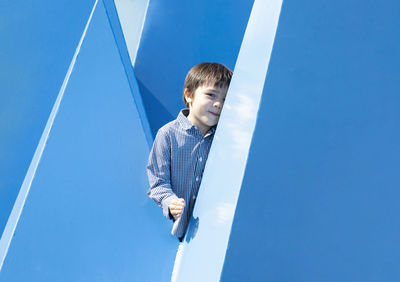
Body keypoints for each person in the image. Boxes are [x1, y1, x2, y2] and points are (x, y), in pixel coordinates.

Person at [146, 62, 232, 241]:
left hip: (210, 233)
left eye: (225, 99)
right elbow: (158, 182)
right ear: (189, 94)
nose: (218, 104)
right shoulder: (168, 134)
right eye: (211, 95)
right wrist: (170, 202)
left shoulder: (224, 139)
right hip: (175, 235)